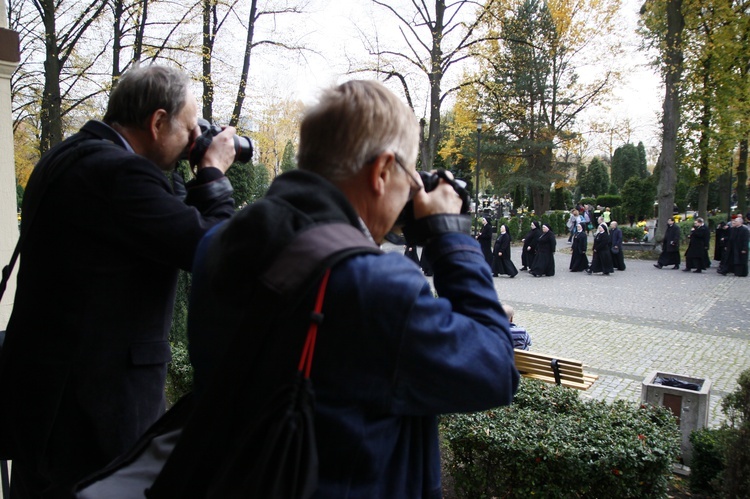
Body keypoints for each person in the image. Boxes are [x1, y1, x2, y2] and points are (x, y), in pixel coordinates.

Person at [181, 80, 519, 497]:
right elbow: (497, 367)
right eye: (410, 178)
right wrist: (450, 237)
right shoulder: (377, 287)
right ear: (380, 171)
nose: (411, 194)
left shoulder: (217, 242)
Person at [0, 65, 238, 497]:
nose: (193, 139)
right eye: (188, 128)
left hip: (48, 406)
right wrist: (215, 174)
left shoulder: (69, 156)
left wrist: (185, 166)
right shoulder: (120, 177)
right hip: (95, 416)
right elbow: (218, 251)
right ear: (157, 122)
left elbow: (167, 220)